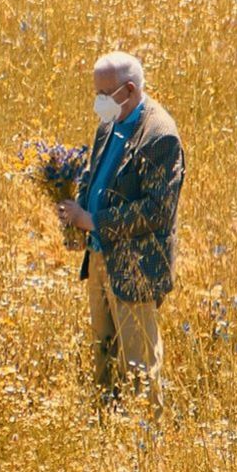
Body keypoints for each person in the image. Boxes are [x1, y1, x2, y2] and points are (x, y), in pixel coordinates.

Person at [57, 51, 186, 424]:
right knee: (104, 352)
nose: (99, 101)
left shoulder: (160, 136)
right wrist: (75, 209)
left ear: (129, 90)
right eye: (96, 92)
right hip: (100, 259)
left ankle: (147, 438)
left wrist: (93, 220)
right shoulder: (110, 123)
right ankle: (106, 428)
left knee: (139, 364)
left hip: (135, 268)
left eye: (105, 93)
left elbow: (157, 211)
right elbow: (94, 174)